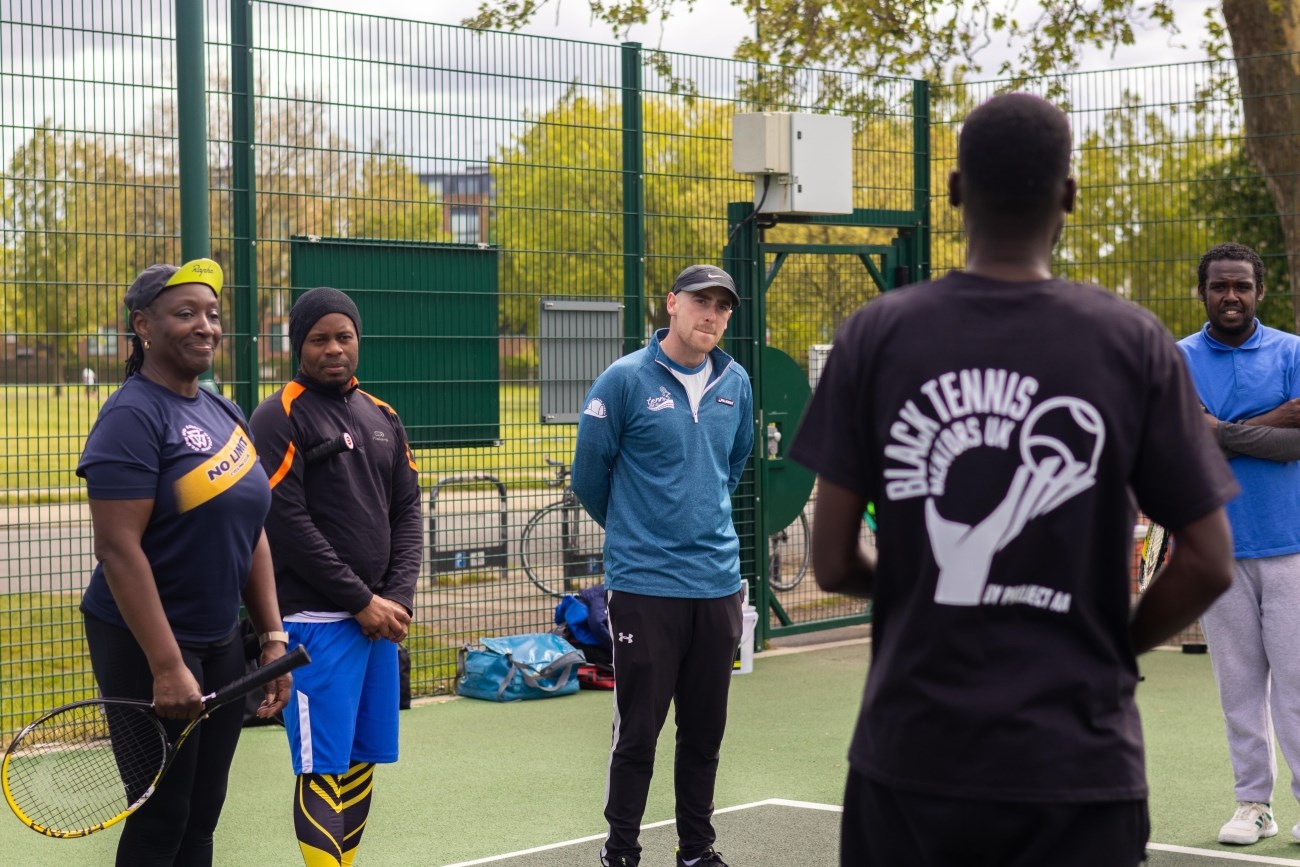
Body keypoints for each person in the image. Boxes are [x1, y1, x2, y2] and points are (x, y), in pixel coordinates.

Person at [787, 93, 1238, 867]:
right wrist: (1110, 644)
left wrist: (932, 585)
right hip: (1078, 766)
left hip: (911, 760)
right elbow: (1208, 560)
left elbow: (831, 562)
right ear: (1069, 194)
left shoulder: (876, 335)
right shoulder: (1133, 342)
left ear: (956, 190)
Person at [76, 258, 292, 867]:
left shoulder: (224, 411)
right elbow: (117, 548)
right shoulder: (130, 416)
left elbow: (251, 531)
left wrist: (271, 640)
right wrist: (167, 666)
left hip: (221, 641)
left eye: (213, 314)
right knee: (160, 816)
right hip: (144, 643)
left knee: (202, 813)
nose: (206, 326)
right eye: (186, 313)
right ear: (143, 325)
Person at [571, 264, 755, 867]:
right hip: (645, 588)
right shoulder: (623, 380)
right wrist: (640, 532)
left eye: (723, 307)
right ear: (672, 304)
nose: (712, 315)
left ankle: (697, 851)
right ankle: (621, 850)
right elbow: (590, 479)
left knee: (704, 732)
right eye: (701, 301)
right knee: (639, 733)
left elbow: (732, 465)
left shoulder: (737, 382)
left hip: (718, 586)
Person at [249, 286, 422, 867]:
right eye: (319, 338)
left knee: (361, 758)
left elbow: (407, 512)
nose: (333, 348)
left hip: (376, 626)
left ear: (358, 340)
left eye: (343, 336)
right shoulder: (277, 416)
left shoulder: (383, 416)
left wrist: (394, 600)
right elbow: (287, 523)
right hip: (313, 627)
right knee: (323, 766)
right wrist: (361, 601)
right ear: (299, 344)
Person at [1177, 241, 1300, 846]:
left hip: (1290, 544)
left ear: (1259, 291)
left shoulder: (1293, 352)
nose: (1232, 296)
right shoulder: (1174, 360)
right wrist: (1276, 417)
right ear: (1202, 291)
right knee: (1239, 687)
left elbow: (1298, 445)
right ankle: (1254, 804)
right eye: (1220, 285)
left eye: (1242, 286)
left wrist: (1219, 429)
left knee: (1299, 684)